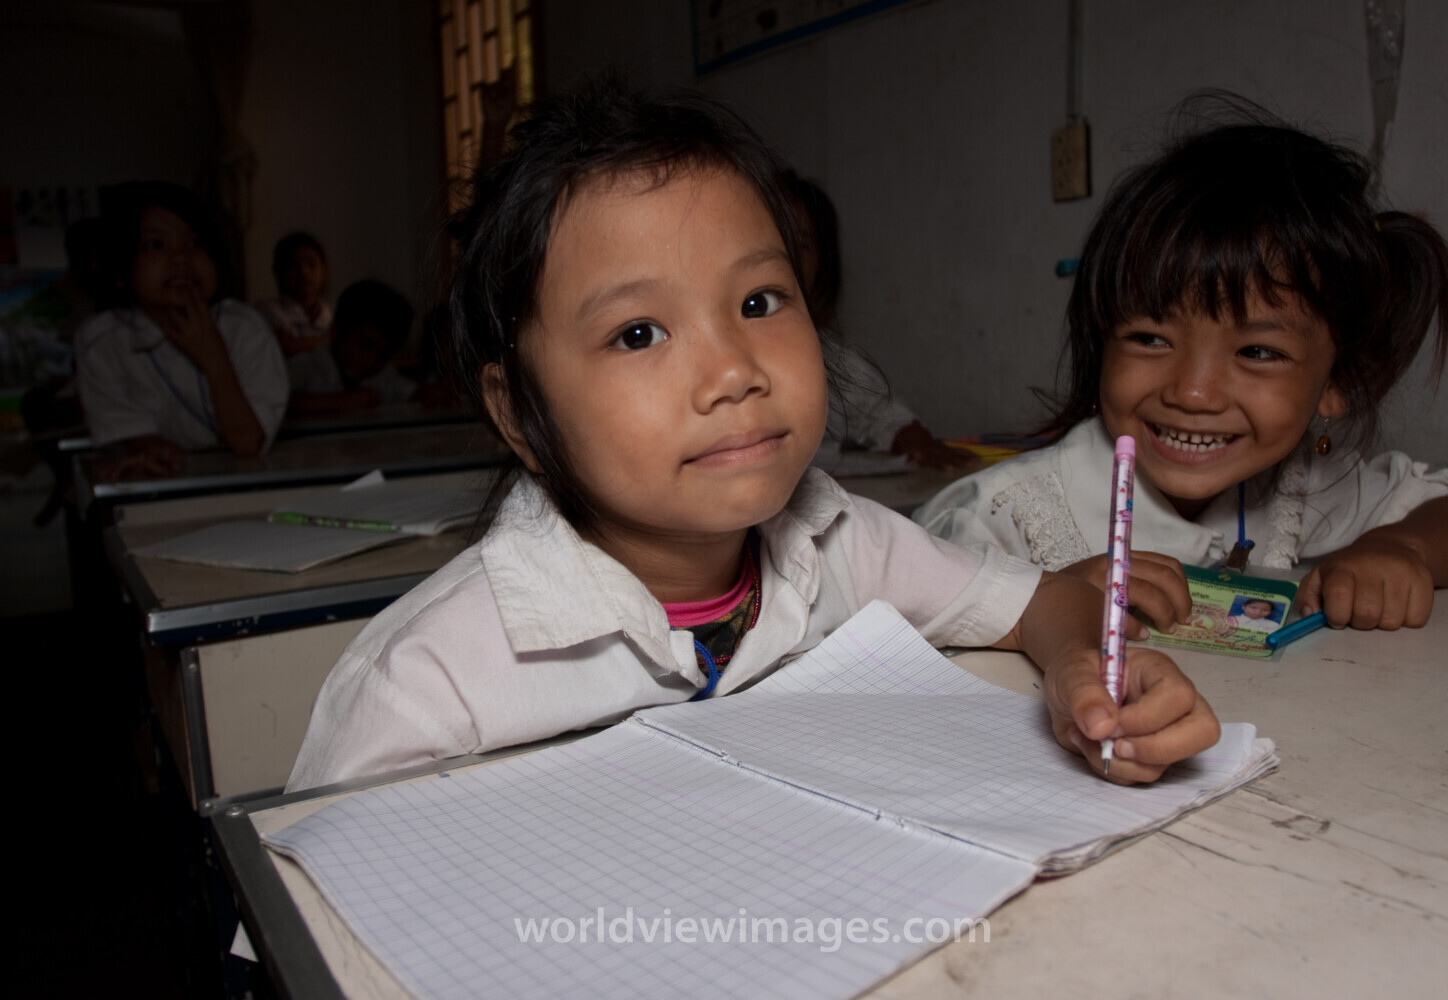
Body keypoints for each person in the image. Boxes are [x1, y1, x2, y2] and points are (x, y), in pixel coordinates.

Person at [286, 79, 1218, 792]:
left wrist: (1081, 676)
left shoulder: (842, 541)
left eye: (761, 300)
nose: (736, 368)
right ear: (519, 415)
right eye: (638, 332)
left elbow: (1037, 601)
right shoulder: (425, 683)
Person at [915, 97, 1448, 634]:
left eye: (1257, 352)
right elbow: (877, 626)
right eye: (1149, 338)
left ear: (1338, 380)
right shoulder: (1005, 515)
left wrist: (1405, 551)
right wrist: (1035, 603)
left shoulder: (1298, 488)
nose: (1193, 393)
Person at [75, 182, 287, 477]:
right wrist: (152, 448)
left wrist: (213, 356)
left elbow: (247, 443)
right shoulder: (102, 343)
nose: (181, 258)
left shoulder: (246, 329)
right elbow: (136, 436)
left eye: (195, 243)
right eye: (156, 245)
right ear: (122, 270)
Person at [780, 169, 977, 471]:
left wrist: (919, 443)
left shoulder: (831, 358)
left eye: (801, 245)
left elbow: (882, 414)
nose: (783, 257)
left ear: (822, 266)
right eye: (774, 239)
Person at [285, 279, 416, 415]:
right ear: (336, 331)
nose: (372, 360)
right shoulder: (307, 366)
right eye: (366, 346)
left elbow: (408, 391)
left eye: (384, 354)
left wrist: (425, 393)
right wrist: (341, 400)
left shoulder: (383, 374)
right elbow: (280, 402)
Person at [256, 231, 333, 356]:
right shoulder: (269, 310)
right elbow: (286, 346)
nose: (303, 272)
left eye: (311, 263)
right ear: (278, 273)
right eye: (293, 265)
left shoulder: (332, 316)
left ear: (324, 271)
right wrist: (333, 339)